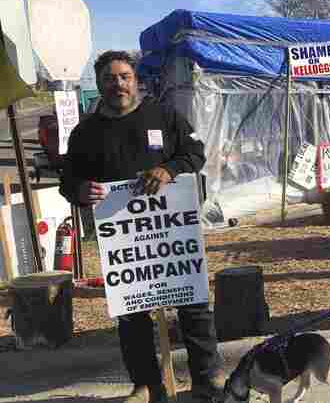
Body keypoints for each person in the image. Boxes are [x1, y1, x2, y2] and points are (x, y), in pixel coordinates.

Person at [59, 51, 225, 403]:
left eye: (124, 76)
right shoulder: (86, 132)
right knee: (131, 315)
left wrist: (169, 169)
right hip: (125, 242)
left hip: (172, 232)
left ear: (135, 80)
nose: (117, 84)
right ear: (100, 84)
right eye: (109, 78)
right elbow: (68, 180)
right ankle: (147, 386)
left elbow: (195, 153)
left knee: (193, 306)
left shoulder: (162, 115)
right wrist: (79, 189)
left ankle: (207, 383)